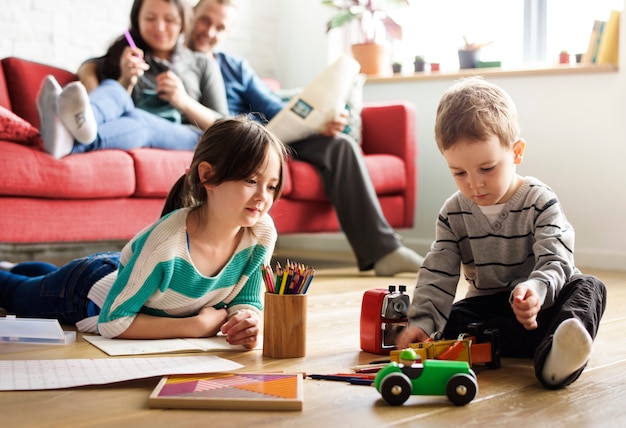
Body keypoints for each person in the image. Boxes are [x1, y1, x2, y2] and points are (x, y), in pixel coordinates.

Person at [0, 116, 288, 348]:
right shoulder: (165, 241)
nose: (264, 196)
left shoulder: (260, 234)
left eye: (272, 186)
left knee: (42, 277)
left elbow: (246, 300)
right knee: (13, 293)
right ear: (208, 176)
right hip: (84, 290)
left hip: (127, 274)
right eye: (251, 180)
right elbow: (113, 322)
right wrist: (194, 326)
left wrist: (248, 320)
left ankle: (29, 270)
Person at [395, 76, 607, 389]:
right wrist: (423, 322)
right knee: (450, 320)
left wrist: (535, 290)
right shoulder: (454, 213)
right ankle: (527, 345)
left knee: (589, 287)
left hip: (544, 304)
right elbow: (438, 272)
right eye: (459, 173)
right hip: (493, 309)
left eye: (487, 168)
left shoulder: (540, 200)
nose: (474, 183)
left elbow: (556, 261)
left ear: (516, 152)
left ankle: (556, 357)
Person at [185, 0, 424, 276]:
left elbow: (273, 107)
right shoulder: (179, 64)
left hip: (266, 138)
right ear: (190, 17)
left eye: (220, 27)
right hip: (231, 144)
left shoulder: (234, 66)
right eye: (205, 21)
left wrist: (317, 123)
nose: (210, 32)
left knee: (339, 145)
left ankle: (385, 251)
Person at [39, 0, 229, 159]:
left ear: (182, 23)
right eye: (149, 18)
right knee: (115, 89)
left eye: (169, 20)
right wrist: (125, 80)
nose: (160, 27)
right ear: (137, 20)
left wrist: (184, 101)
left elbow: (225, 126)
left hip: (188, 135)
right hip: (129, 123)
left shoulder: (202, 63)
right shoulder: (126, 54)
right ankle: (73, 120)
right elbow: (91, 65)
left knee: (139, 119)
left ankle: (68, 140)